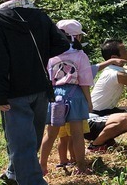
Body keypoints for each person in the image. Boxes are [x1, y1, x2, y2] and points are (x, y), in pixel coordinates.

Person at [0, 0, 70, 185]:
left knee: (21, 140)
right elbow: (62, 43)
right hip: (40, 86)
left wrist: (1, 95)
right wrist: (37, 55)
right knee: (30, 136)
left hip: (15, 90)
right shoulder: (39, 16)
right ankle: (14, 173)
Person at [39, 20, 94, 176]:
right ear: (77, 37)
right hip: (75, 95)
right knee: (77, 134)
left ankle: (42, 166)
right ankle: (81, 167)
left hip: (55, 96)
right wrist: (89, 102)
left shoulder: (50, 54)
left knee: (51, 133)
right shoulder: (80, 55)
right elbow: (85, 82)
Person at [86, 39, 127, 151]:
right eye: (125, 50)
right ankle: (96, 145)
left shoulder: (119, 69)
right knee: (125, 119)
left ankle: (107, 139)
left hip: (106, 113)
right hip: (91, 119)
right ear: (114, 57)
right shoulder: (115, 73)